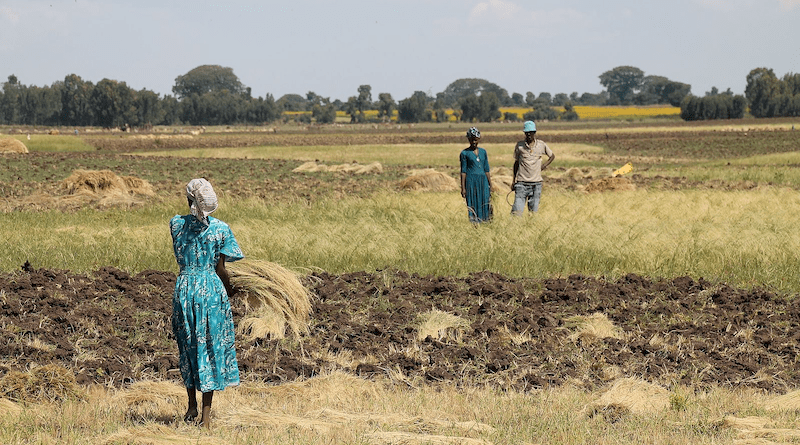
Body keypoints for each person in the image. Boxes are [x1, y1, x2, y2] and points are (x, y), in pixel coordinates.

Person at [170, 178, 244, 429]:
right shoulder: (221, 229)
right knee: (209, 348)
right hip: (211, 292)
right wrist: (231, 289)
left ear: (189, 200)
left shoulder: (176, 224)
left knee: (189, 346)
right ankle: (206, 417)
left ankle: (191, 405)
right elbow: (221, 269)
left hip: (184, 289)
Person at [511, 121, 555, 215]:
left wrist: (544, 165)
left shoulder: (541, 145)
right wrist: (513, 180)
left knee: (533, 213)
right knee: (516, 212)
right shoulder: (519, 146)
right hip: (521, 184)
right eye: (526, 132)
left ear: (534, 132)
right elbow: (516, 163)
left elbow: (552, 156)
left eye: (531, 132)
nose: (528, 135)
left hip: (536, 184)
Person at [460, 127, 492, 223]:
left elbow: (486, 169)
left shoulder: (483, 152)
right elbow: (463, 171)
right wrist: (463, 187)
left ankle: (485, 222)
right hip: (471, 181)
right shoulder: (464, 153)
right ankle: (474, 223)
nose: (473, 142)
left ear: (479, 139)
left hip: (483, 181)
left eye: (475, 139)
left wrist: (490, 184)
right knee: (473, 201)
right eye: (471, 139)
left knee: (485, 201)